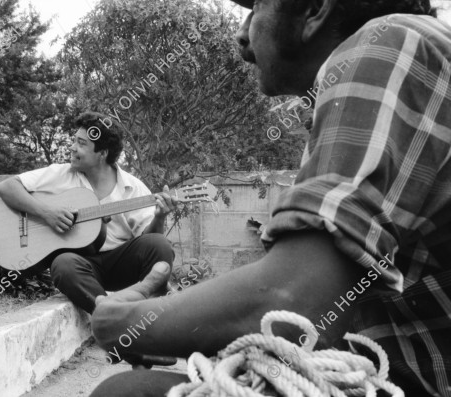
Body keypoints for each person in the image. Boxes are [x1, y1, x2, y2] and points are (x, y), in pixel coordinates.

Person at [89, 0, 451, 396]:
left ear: (314, 8)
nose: (242, 35)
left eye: (257, 6)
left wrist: (120, 323)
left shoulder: (392, 44)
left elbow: (292, 303)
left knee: (126, 393)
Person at [0, 111, 177, 314]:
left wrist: (160, 216)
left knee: (160, 244)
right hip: (83, 266)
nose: (72, 147)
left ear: (102, 153)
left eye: (81, 143)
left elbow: (149, 239)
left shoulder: (133, 188)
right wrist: (46, 212)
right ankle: (113, 313)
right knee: (63, 264)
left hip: (120, 264)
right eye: (74, 141)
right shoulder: (61, 174)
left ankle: (149, 308)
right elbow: (6, 187)